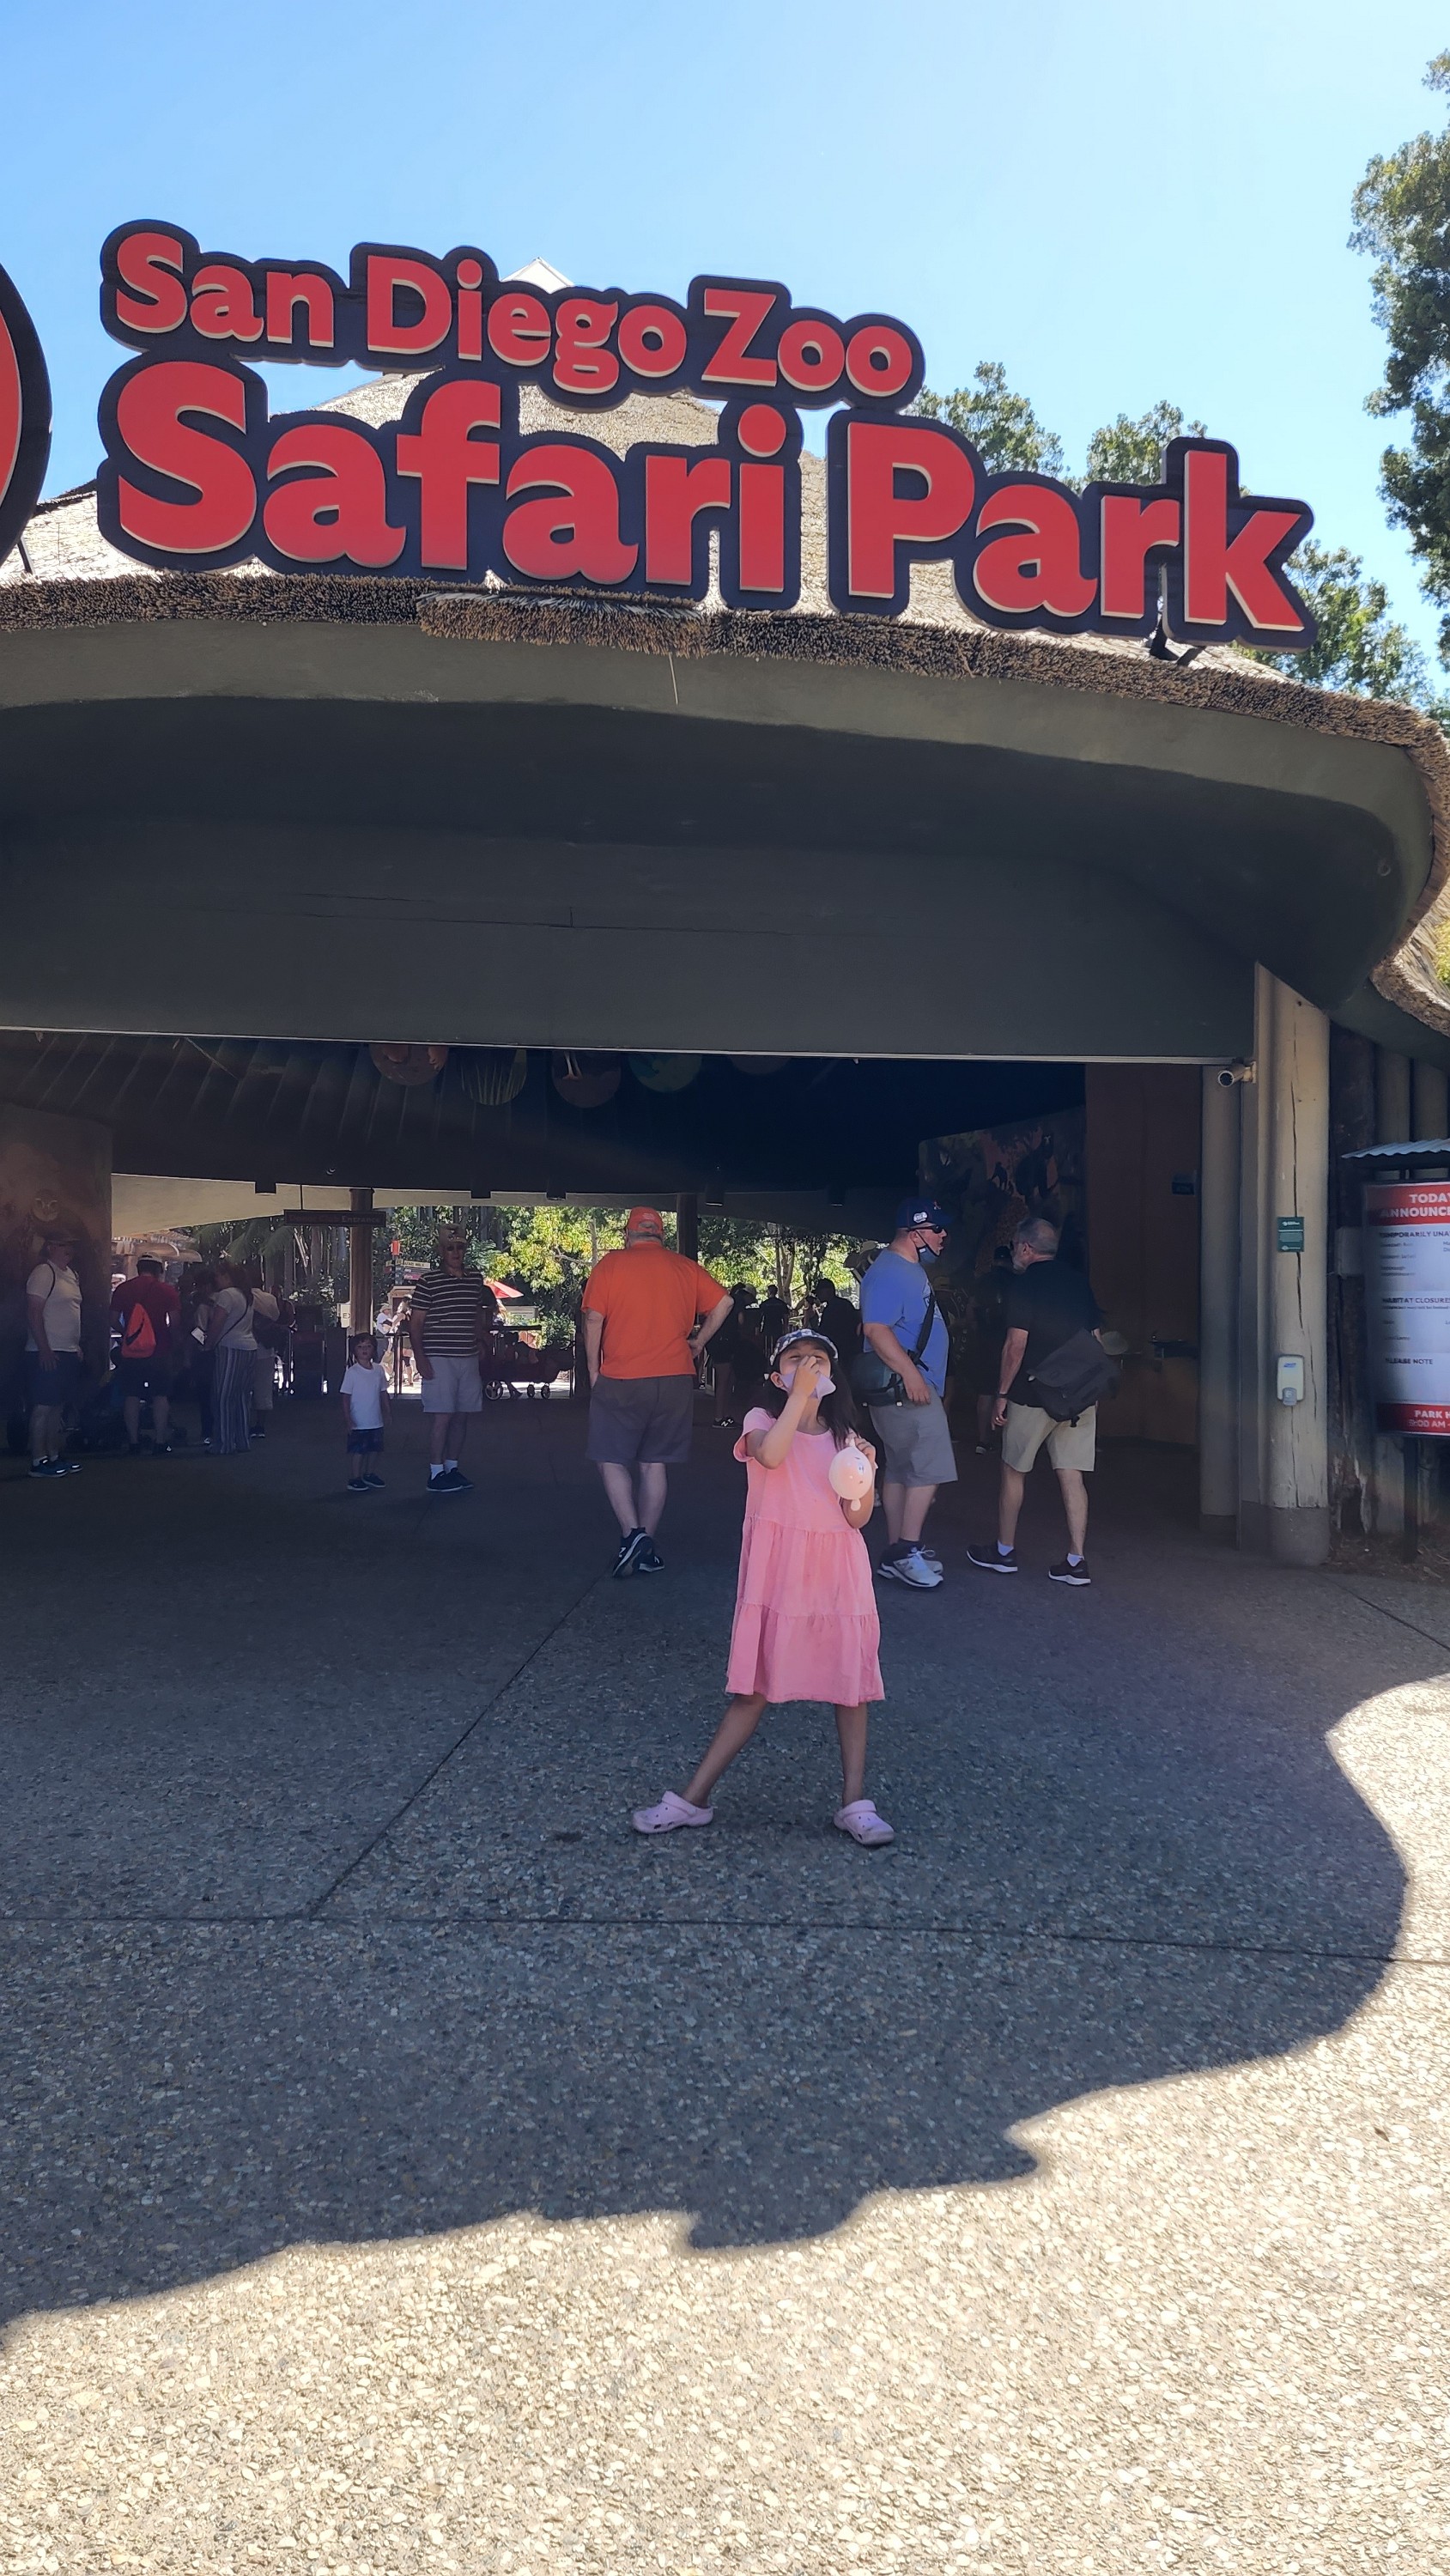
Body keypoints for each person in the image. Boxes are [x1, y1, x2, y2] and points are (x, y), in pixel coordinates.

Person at [632, 1330, 893, 1845]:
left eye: (820, 1360)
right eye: (797, 1360)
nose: (810, 1366)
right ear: (777, 1377)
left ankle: (854, 1803)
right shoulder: (760, 1422)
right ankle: (694, 1799)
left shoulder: (845, 1438)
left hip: (838, 1573)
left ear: (834, 1377)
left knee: (851, 1689)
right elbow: (771, 1457)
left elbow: (857, 1518)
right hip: (779, 1576)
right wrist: (801, 1397)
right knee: (753, 1692)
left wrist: (866, 1470)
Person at [581, 1206, 732, 1577]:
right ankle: (646, 1548)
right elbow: (725, 1302)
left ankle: (632, 1534)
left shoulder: (611, 1265)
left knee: (610, 1456)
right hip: (675, 1377)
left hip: (623, 1376)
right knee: (654, 1463)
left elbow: (593, 1318)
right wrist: (699, 1342)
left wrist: (593, 1369)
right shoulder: (684, 1268)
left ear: (628, 1234)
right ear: (660, 1235)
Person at [967, 1216, 1104, 1586]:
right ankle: (1077, 1560)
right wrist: (1091, 1391)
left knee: (1013, 1470)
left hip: (1031, 1394)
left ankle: (1004, 1551)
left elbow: (1016, 1345)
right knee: (1072, 1476)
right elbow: (1096, 1339)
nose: (1014, 1250)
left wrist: (1001, 1394)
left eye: (1015, 1245)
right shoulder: (1079, 1283)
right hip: (1077, 1396)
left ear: (1026, 1248)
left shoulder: (1024, 1285)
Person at [858, 1195, 956, 1589]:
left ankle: (897, 1551)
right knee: (931, 1466)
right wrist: (912, 1375)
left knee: (901, 1469)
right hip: (907, 1389)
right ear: (915, 1233)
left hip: (905, 1388)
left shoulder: (906, 1269)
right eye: (937, 1228)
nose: (944, 1235)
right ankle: (908, 1549)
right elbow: (875, 1329)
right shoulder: (890, 1272)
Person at [408, 1227, 499, 1494]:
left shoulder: (475, 1280)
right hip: (439, 1357)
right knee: (442, 1415)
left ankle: (452, 1467)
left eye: (460, 1247)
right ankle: (435, 1473)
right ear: (441, 1251)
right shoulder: (428, 1282)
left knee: (462, 1415)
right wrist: (420, 1357)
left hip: (467, 1356)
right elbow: (416, 1323)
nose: (456, 1252)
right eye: (450, 1248)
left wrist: (479, 1340)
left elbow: (475, 1314)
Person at [25, 1224, 85, 1479]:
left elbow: (70, 1313)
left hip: (67, 1351)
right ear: (51, 1247)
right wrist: (44, 1348)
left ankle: (53, 1455)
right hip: (48, 1351)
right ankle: (38, 1459)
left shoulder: (71, 1275)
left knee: (57, 1406)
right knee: (43, 1406)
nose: (69, 1250)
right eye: (63, 1245)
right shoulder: (43, 1272)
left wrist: (75, 1346)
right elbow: (34, 1312)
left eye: (71, 1245)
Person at [110, 1255, 180, 1455]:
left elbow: (112, 1319)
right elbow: (175, 1322)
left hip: (132, 1351)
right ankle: (160, 1441)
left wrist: (128, 1334)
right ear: (159, 1270)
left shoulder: (124, 1289)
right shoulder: (167, 1291)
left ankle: (133, 1442)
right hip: (160, 1349)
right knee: (160, 1395)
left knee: (131, 1395)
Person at [202, 1260, 257, 1455]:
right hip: (250, 1347)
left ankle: (224, 1442)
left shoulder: (226, 1295)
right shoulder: (246, 1295)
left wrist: (208, 1344)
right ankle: (242, 1440)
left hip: (231, 1348)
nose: (216, 1279)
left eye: (218, 1275)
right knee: (242, 1397)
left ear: (227, 1277)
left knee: (223, 1396)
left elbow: (217, 1323)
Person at [341, 1330, 391, 1491]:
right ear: (354, 1351)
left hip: (376, 1419)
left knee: (375, 1449)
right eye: (360, 1346)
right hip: (359, 1420)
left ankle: (369, 1473)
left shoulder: (379, 1370)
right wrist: (348, 1419)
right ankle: (355, 1477)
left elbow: (383, 1392)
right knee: (359, 1450)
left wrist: (387, 1411)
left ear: (374, 1349)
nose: (364, 1349)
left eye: (368, 1346)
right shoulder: (352, 1373)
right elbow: (346, 1397)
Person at [249, 1271, 282, 1437]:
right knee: (263, 1388)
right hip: (266, 1346)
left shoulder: (242, 1297)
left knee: (242, 1387)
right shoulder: (270, 1299)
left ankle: (241, 1422)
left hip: (246, 1345)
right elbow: (276, 1316)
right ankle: (260, 1425)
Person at [810, 1274, 863, 1367]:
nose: (818, 1295)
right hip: (851, 1348)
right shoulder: (845, 1304)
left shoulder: (831, 1309)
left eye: (819, 1292)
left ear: (828, 1291)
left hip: (840, 1349)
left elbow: (824, 1332)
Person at [757, 1286, 790, 1351]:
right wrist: (785, 1328)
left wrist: (758, 1329)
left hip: (767, 1327)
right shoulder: (781, 1304)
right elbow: (785, 1317)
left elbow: (760, 1317)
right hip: (778, 1327)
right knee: (777, 1345)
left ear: (769, 1292)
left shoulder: (764, 1304)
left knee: (767, 1346)